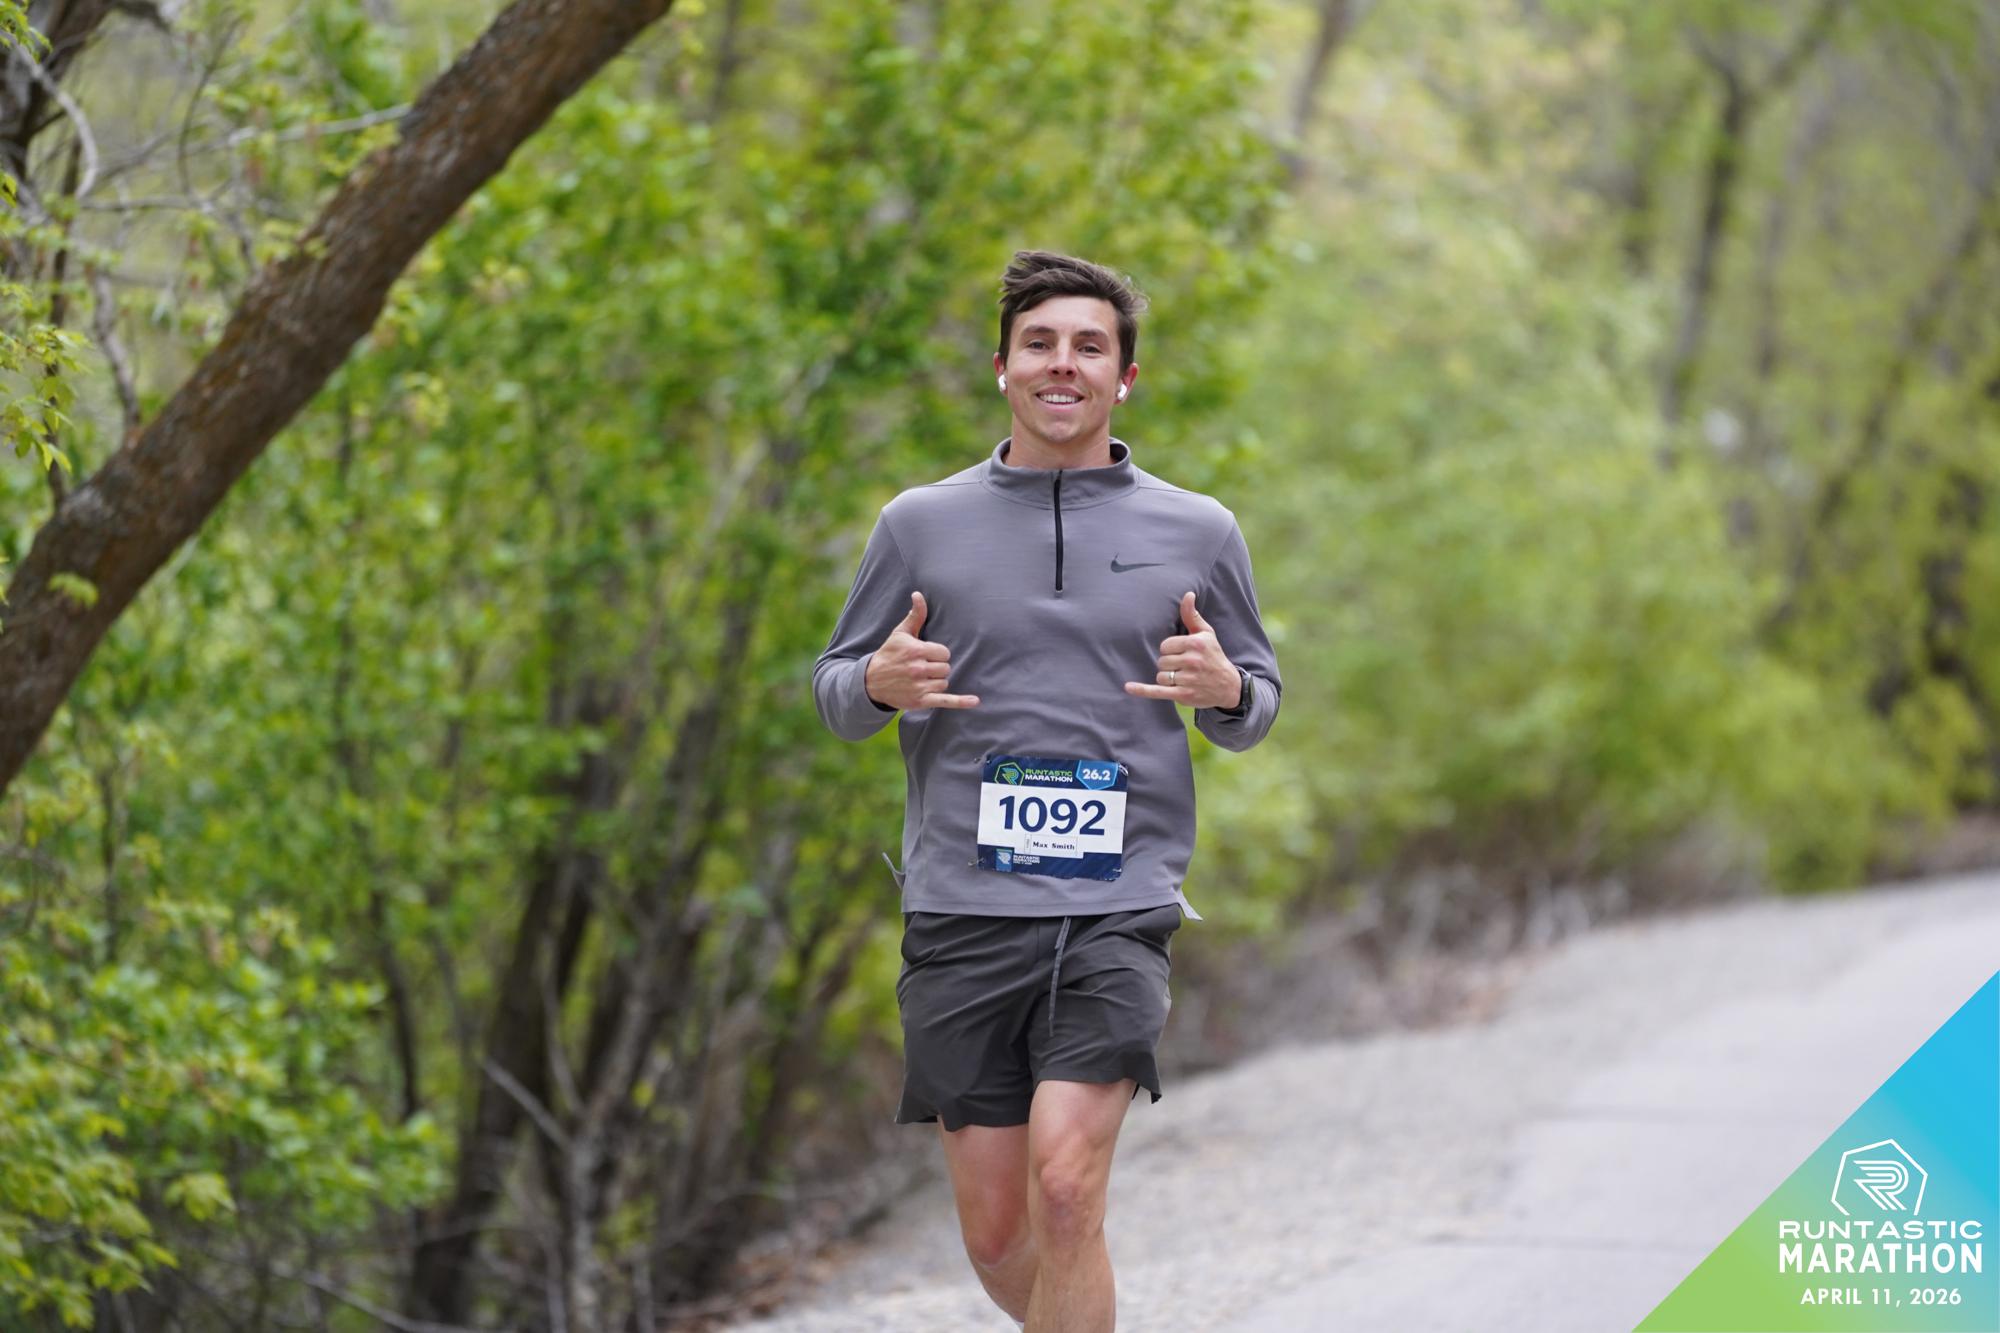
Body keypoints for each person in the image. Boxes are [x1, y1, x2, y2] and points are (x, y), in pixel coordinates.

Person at [812, 251, 1281, 1331]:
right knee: (997, 1235)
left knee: (1067, 1189)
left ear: (1125, 378)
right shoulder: (918, 524)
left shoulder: (1197, 529)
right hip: (962, 907)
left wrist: (1223, 690)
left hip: (1117, 902)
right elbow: (836, 693)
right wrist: (877, 681)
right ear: (1001, 367)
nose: (1062, 363)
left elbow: (1254, 704)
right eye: (1039, 343)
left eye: (1088, 346)